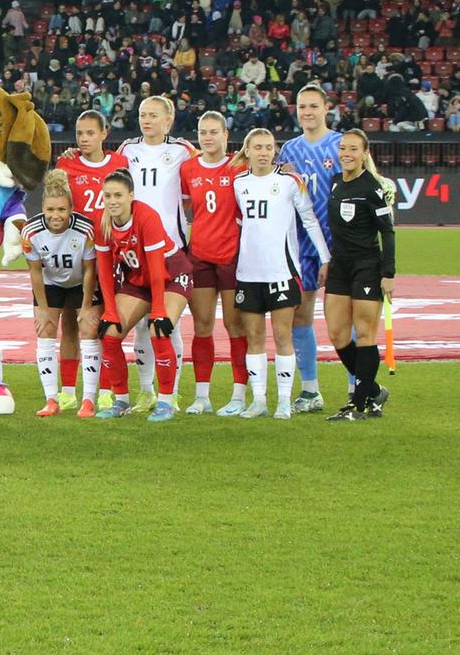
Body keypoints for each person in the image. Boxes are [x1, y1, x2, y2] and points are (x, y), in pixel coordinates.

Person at [232, 129, 331, 420]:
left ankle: (284, 402)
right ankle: (259, 400)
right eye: (257, 147)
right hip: (249, 272)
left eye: (268, 147)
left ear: (275, 151)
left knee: (282, 334)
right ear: (247, 150)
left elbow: (310, 220)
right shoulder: (239, 183)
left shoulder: (290, 181)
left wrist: (325, 258)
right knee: (254, 335)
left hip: (282, 271)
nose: (263, 152)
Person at [116, 95, 196, 411]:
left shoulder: (182, 151)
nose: (146, 120)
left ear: (168, 120)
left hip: (170, 250)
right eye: (142, 115)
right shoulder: (127, 151)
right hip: (134, 253)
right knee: (138, 325)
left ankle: (171, 393)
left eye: (153, 115)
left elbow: (206, 173)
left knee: (166, 324)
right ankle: (146, 390)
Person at [87, 169, 185, 420]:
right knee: (109, 334)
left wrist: (159, 310)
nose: (112, 201)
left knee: (158, 330)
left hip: (170, 275)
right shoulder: (102, 221)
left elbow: (156, 269)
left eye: (118, 195)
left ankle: (165, 401)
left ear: (131, 195)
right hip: (138, 279)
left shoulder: (146, 216)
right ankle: (120, 401)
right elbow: (105, 272)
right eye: (107, 195)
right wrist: (109, 311)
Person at [323, 129, 396, 421]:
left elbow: (387, 231)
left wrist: (388, 273)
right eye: (343, 148)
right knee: (337, 334)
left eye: (353, 149)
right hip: (340, 265)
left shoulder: (372, 187)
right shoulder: (336, 182)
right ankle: (374, 389)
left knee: (365, 333)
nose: (347, 154)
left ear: (364, 153)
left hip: (367, 265)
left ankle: (361, 402)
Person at [178, 111, 248, 415]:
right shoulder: (188, 168)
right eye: (202, 132)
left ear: (225, 135)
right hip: (201, 255)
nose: (207, 137)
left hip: (233, 256)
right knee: (202, 324)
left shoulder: (238, 167)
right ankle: (202, 396)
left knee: (236, 325)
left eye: (213, 132)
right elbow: (181, 206)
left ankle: (238, 395)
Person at [54, 109, 127, 397]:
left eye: (90, 133)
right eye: (80, 133)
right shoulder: (66, 164)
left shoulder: (120, 163)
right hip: (76, 256)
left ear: (104, 134)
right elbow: (56, 206)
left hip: (111, 255)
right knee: (71, 324)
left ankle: (107, 391)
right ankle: (69, 392)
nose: (84, 139)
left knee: (105, 324)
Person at [279, 84, 341, 412]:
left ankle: (357, 388)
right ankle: (310, 391)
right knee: (300, 316)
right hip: (302, 244)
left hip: (340, 242)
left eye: (313, 106)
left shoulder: (342, 145)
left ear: (326, 108)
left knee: (343, 319)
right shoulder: (288, 150)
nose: (307, 112)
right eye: (302, 106)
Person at [23, 170, 94, 417]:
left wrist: (86, 306)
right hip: (51, 283)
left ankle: (89, 399)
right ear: (42, 207)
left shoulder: (85, 230)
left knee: (88, 330)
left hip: (80, 283)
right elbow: (35, 272)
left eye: (62, 210)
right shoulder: (31, 232)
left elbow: (89, 270)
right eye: (50, 209)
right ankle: (51, 399)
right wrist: (42, 309)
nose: (56, 216)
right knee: (45, 331)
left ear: (71, 209)